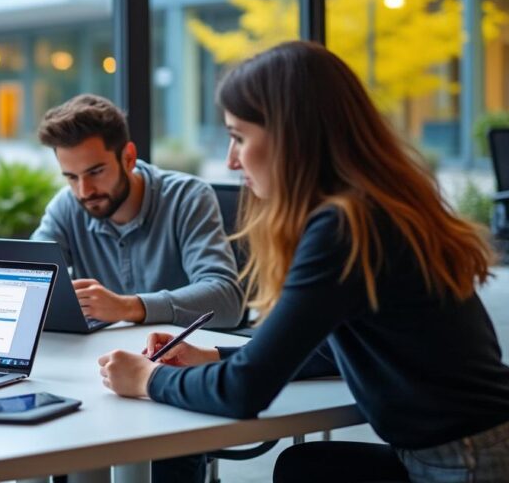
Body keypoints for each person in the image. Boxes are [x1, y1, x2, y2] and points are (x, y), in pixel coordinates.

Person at [98, 41, 509, 483]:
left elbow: (243, 391)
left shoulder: (344, 226)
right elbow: (332, 350)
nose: (232, 160)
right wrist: (210, 354)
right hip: (463, 445)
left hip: (467, 462)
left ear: (290, 136)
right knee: (304, 467)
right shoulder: (369, 208)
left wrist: (146, 379)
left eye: (238, 136)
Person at [33, 94, 243, 483]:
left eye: (95, 172)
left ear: (128, 157)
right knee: (49, 445)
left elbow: (227, 299)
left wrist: (130, 307)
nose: (83, 191)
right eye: (71, 177)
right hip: (96, 380)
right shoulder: (68, 206)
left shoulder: (188, 198)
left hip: (172, 383)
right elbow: (31, 279)